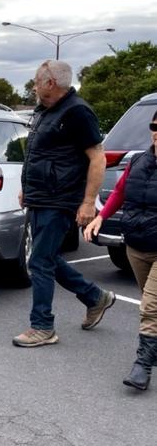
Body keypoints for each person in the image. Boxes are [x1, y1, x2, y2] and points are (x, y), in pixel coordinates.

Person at [14, 59, 115, 347]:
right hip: (40, 196)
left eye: (36, 81)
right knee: (47, 258)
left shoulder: (77, 112)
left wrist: (87, 203)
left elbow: (97, 157)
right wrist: (26, 188)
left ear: (50, 83)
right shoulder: (44, 111)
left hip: (59, 199)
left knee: (41, 261)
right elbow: (36, 154)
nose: (33, 86)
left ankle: (43, 326)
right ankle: (96, 297)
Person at [84, 109, 157, 390]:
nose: (156, 131)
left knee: (150, 307)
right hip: (136, 246)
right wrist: (101, 217)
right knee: (151, 301)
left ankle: (142, 365)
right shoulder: (138, 160)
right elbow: (120, 192)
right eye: (154, 125)